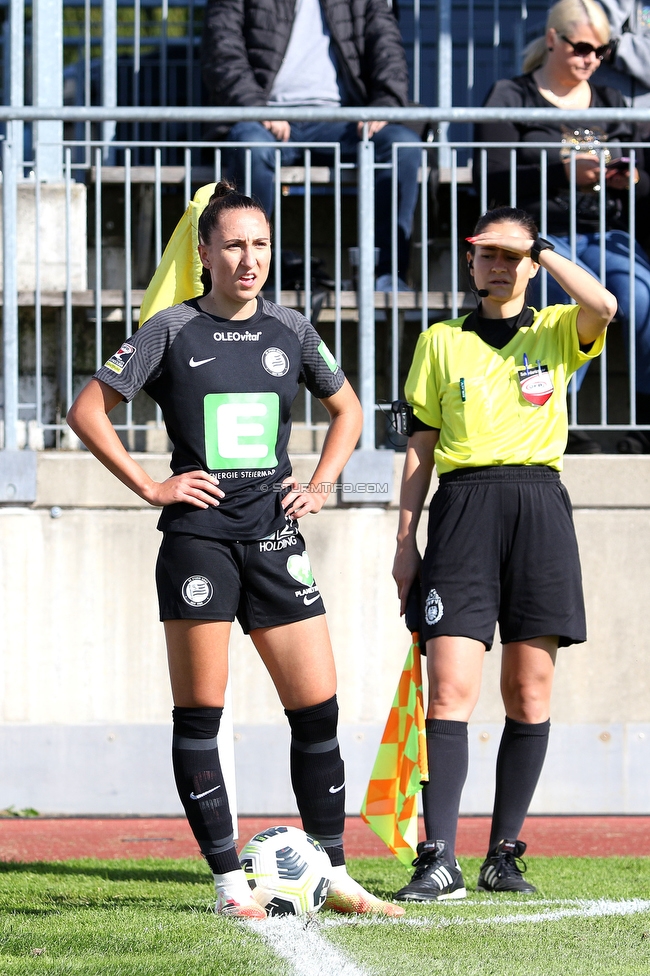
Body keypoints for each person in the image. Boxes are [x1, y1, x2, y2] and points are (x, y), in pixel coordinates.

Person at [67, 180, 404, 921]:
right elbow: (86, 409)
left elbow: (346, 408)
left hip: (277, 540)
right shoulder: (168, 329)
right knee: (201, 716)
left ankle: (336, 873)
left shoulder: (292, 329)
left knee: (317, 712)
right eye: (233, 245)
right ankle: (228, 883)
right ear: (205, 252)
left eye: (259, 244)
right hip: (199, 546)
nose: (248, 259)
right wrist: (151, 486)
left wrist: (319, 483)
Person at [391, 206, 616, 902]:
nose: (497, 264)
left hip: (539, 508)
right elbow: (420, 449)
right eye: (485, 252)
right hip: (463, 509)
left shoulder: (555, 328)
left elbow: (604, 304)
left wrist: (540, 249)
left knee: (529, 691)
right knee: (450, 691)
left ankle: (503, 855)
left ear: (529, 262)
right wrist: (405, 542)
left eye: (509, 255)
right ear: (469, 262)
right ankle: (438, 858)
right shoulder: (439, 341)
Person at [475, 0, 650, 449]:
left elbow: (644, 176)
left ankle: (644, 418)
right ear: (553, 38)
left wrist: (627, 178)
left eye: (603, 50)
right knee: (572, 297)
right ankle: (557, 419)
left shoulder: (612, 102)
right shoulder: (510, 95)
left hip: (605, 230)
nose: (592, 58)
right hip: (540, 235)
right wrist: (563, 171)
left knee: (639, 294)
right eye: (583, 46)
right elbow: (492, 175)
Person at [200, 0, 421, 290]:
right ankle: (251, 276)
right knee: (251, 146)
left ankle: (386, 275)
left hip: (344, 121)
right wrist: (257, 108)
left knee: (401, 147)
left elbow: (386, 46)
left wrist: (385, 103)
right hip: (266, 119)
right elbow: (222, 48)